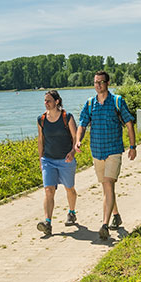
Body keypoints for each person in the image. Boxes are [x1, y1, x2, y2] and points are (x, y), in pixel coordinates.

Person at [75, 70, 135, 243]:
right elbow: (82, 124)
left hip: (113, 151)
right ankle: (116, 215)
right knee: (107, 188)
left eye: (101, 82)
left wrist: (132, 146)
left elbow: (129, 123)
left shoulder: (117, 101)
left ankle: (104, 225)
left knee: (108, 184)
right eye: (95, 82)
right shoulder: (89, 103)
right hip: (97, 152)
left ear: (108, 83)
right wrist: (78, 140)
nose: (98, 85)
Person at [35, 89, 79, 237]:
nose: (46, 103)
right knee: (48, 190)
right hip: (48, 160)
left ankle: (71, 212)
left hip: (66, 160)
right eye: (45, 101)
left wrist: (73, 152)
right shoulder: (41, 120)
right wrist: (41, 159)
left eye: (49, 101)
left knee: (69, 189)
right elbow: (41, 140)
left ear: (57, 102)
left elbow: (75, 138)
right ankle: (47, 222)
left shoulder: (67, 117)